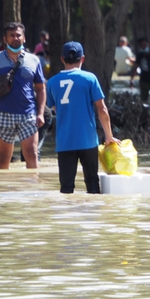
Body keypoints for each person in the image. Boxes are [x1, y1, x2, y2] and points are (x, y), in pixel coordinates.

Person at [46, 42, 119, 193]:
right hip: (88, 140)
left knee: (66, 187)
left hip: (65, 141)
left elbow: (55, 109)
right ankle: (93, 214)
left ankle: (67, 215)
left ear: (62, 59)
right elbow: (102, 110)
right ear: (83, 59)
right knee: (92, 182)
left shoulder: (52, 82)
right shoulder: (90, 78)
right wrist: (109, 136)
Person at [0, 22, 47, 169]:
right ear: (5, 39)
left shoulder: (34, 60)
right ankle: (2, 191)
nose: (15, 38)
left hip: (28, 114)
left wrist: (40, 113)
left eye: (18, 35)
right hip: (2, 114)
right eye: (11, 35)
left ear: (24, 38)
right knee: (4, 157)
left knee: (32, 153)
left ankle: (32, 191)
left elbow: (41, 88)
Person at [129, 37, 150, 102]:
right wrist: (132, 79)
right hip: (144, 79)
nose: (143, 46)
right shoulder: (140, 55)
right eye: (141, 45)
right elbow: (135, 67)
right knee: (144, 99)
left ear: (147, 44)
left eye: (144, 44)